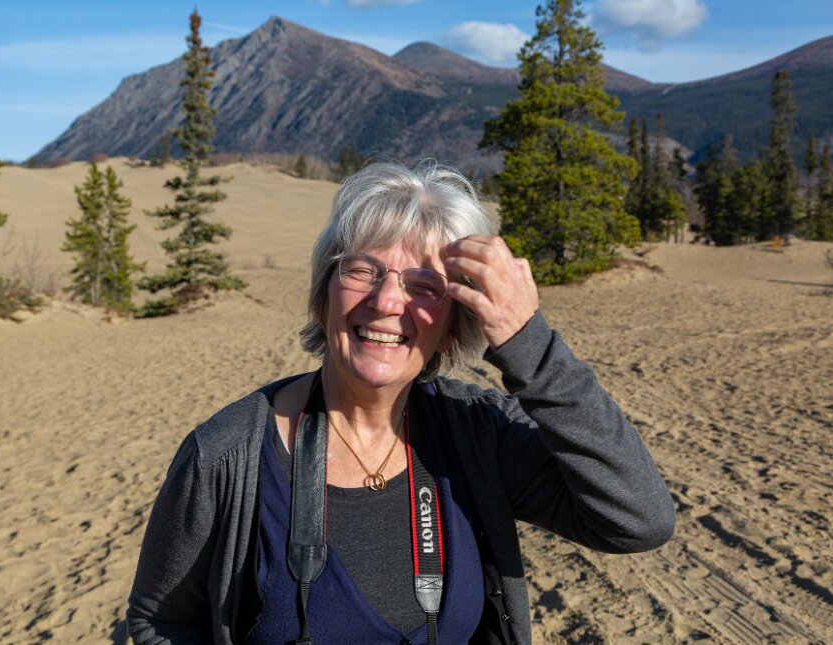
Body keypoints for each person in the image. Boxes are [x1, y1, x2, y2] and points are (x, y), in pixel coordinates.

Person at [127, 160, 675, 645]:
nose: (388, 301)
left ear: (455, 324)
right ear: (325, 293)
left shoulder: (476, 433)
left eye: (424, 286)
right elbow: (162, 621)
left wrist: (527, 342)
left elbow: (638, 519)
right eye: (364, 270)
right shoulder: (228, 456)